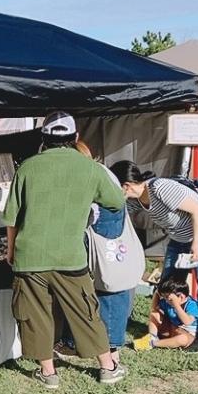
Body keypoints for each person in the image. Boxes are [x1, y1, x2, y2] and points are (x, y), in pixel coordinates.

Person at [2, 111, 127, 389]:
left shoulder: (27, 168)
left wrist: (10, 250)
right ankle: (108, 367)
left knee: (36, 313)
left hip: (30, 255)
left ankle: (49, 374)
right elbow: (117, 201)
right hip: (71, 256)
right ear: (76, 138)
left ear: (43, 137)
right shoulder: (90, 169)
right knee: (84, 310)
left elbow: (11, 217)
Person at [109, 160, 198, 353]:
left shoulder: (160, 188)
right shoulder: (136, 200)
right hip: (178, 238)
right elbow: (119, 212)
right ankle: (165, 327)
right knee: (166, 283)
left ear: (125, 185)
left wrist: (196, 243)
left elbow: (197, 210)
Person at [54, 141, 139, 365]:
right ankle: (105, 348)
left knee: (105, 288)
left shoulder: (88, 174)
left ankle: (108, 352)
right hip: (110, 239)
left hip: (104, 238)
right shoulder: (102, 171)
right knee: (106, 288)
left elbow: (89, 210)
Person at [133, 278, 198, 350]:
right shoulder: (168, 302)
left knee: (182, 339)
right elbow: (154, 309)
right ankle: (152, 336)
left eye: (169, 299)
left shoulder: (191, 305)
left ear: (181, 297)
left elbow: (187, 321)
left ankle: (152, 343)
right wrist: (156, 293)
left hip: (186, 334)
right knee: (155, 314)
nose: (166, 301)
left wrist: (176, 304)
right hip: (171, 329)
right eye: (164, 298)